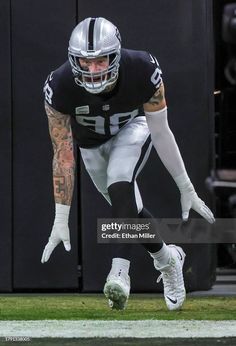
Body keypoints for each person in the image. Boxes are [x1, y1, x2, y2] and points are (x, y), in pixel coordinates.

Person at [41, 17, 215, 311]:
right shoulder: (58, 85)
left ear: (116, 56)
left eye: (102, 61)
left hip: (131, 128)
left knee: (120, 183)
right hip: (90, 145)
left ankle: (119, 273)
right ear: (73, 61)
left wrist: (186, 187)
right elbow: (63, 153)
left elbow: (161, 131)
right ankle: (168, 259)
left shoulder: (143, 69)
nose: (94, 70)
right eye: (86, 63)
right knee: (130, 211)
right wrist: (61, 217)